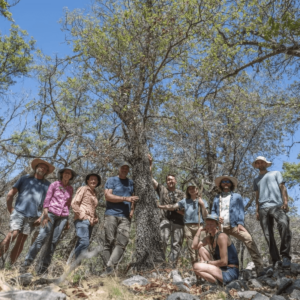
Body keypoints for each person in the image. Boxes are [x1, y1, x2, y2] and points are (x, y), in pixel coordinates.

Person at [20, 167, 76, 274]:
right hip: (50, 213)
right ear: (62, 174)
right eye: (65, 173)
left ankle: (43, 269)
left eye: (69, 173)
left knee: (54, 241)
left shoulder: (70, 188)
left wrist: (67, 219)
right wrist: (45, 214)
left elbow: (68, 204)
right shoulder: (54, 184)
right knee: (42, 237)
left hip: (63, 217)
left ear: (71, 176)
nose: (67, 174)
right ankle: (26, 264)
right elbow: (47, 199)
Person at [0, 158, 55, 264]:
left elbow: (47, 203)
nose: (42, 169)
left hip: (33, 217)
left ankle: (9, 266)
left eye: (45, 168)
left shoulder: (48, 185)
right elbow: (11, 194)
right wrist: (10, 208)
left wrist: (41, 217)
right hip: (19, 212)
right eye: (41, 167)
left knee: (21, 241)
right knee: (12, 234)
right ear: (36, 168)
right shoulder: (24, 179)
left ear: (47, 172)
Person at [210, 175, 264, 276]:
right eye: (223, 181)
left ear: (231, 184)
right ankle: (219, 271)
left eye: (228, 181)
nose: (225, 183)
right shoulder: (217, 197)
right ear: (221, 184)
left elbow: (241, 210)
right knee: (217, 248)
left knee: (248, 239)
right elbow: (213, 211)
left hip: (234, 225)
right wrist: (216, 218)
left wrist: (240, 223)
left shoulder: (237, 196)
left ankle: (260, 267)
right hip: (221, 228)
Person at [253, 156, 292, 268]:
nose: (260, 164)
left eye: (262, 162)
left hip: (276, 205)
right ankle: (275, 260)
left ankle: (285, 256)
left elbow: (282, 187)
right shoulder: (256, 180)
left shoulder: (275, 173)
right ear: (256, 165)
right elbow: (257, 196)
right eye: (258, 163)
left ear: (266, 163)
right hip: (262, 208)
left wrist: (285, 202)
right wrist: (257, 210)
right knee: (267, 234)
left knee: (284, 223)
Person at [101, 162, 138, 277]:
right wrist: (125, 198)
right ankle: (109, 272)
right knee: (108, 242)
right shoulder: (112, 180)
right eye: (123, 167)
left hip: (125, 217)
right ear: (119, 168)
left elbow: (133, 199)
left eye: (127, 168)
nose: (125, 170)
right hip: (111, 214)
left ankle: (109, 268)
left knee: (122, 242)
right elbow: (108, 196)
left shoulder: (131, 182)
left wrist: (132, 211)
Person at [158, 182, 207, 266]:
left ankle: (204, 269)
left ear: (197, 190)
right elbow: (173, 207)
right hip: (187, 227)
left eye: (193, 188)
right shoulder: (185, 201)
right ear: (187, 191)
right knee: (192, 250)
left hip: (200, 227)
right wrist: (160, 206)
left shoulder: (202, 201)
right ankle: (196, 271)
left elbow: (206, 216)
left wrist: (202, 205)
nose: (191, 190)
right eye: (189, 188)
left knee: (201, 248)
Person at [149, 155, 185, 266]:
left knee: (176, 244)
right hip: (164, 219)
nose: (170, 181)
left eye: (171, 179)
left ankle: (172, 265)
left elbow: (183, 209)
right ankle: (161, 264)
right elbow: (151, 179)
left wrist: (178, 209)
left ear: (176, 181)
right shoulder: (162, 189)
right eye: (168, 180)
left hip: (179, 221)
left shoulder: (182, 193)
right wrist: (150, 165)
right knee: (162, 240)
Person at [193, 215, 239, 286]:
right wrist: (199, 230)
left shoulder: (221, 236)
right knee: (201, 249)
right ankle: (217, 282)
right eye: (207, 224)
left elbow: (224, 262)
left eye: (212, 224)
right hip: (220, 269)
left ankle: (217, 283)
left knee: (196, 267)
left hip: (230, 271)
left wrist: (207, 262)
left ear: (217, 225)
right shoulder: (209, 238)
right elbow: (194, 246)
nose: (209, 226)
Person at [72, 173, 101, 260]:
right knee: (84, 243)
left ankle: (71, 265)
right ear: (87, 181)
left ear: (97, 182)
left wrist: (95, 217)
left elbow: (92, 207)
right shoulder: (83, 189)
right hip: (82, 220)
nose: (93, 181)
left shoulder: (95, 193)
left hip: (90, 222)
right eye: (91, 179)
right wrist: (81, 214)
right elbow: (74, 203)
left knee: (80, 243)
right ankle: (75, 263)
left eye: (95, 179)